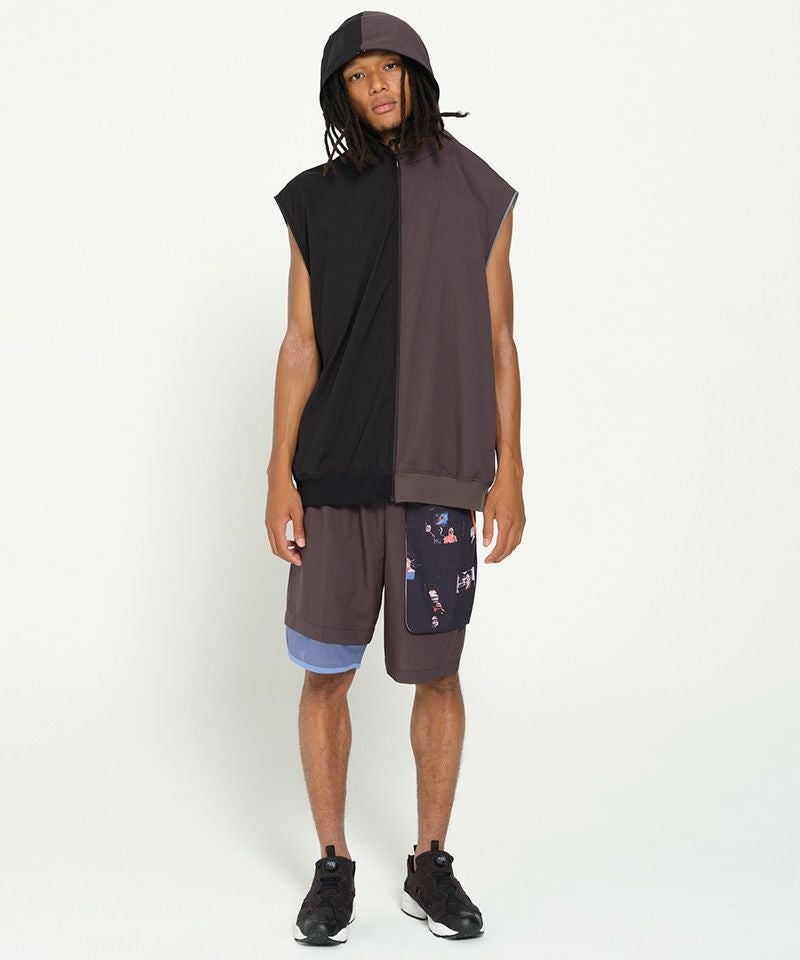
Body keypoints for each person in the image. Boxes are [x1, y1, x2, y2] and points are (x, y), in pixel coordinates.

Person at [265, 11, 525, 946]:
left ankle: (429, 863)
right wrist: (277, 474)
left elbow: (500, 340)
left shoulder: (480, 193)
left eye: (391, 68)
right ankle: (333, 864)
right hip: (332, 477)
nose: (377, 86)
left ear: (418, 75)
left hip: (440, 480)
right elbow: (300, 344)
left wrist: (510, 468)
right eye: (358, 74)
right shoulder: (312, 201)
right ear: (339, 93)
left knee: (438, 676)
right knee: (324, 677)